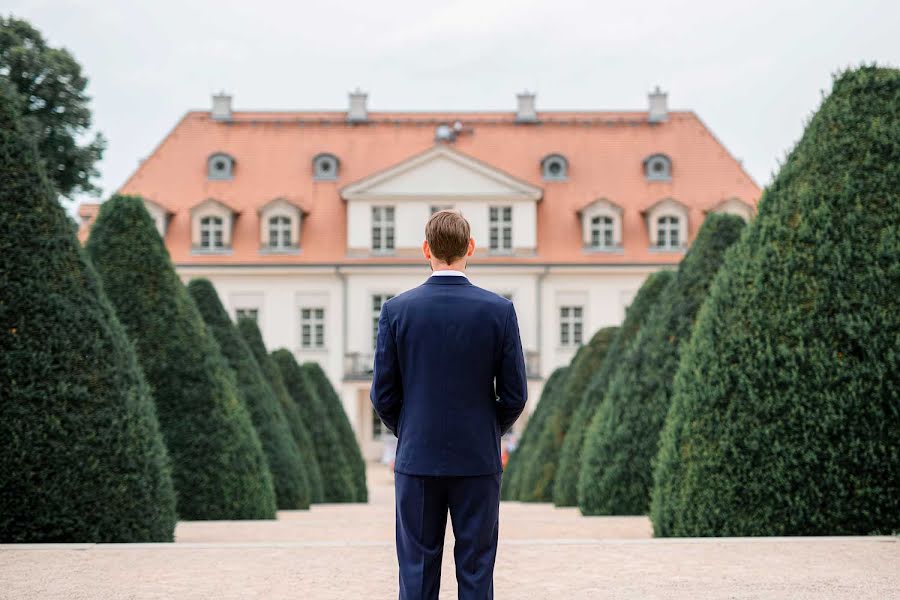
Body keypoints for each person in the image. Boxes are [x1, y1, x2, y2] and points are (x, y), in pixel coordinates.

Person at [371, 209, 528, 600]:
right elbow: (515, 394)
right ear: (470, 247)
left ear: (426, 249)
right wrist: (486, 429)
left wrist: (409, 429)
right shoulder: (499, 310)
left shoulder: (396, 311)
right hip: (477, 457)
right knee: (476, 568)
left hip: (417, 457)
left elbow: (383, 394)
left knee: (417, 570)